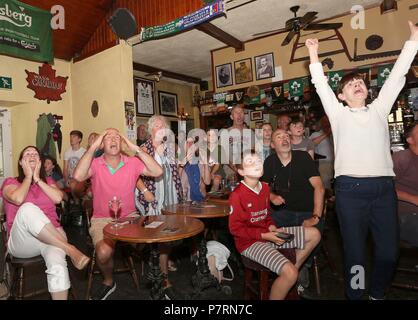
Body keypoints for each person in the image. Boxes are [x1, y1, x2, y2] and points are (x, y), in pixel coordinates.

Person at [306, 21, 418, 300]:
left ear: (367, 91)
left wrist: (413, 41)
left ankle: (377, 294)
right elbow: (320, 85)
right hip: (350, 192)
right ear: (341, 96)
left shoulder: (380, 109)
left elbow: (397, 76)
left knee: (389, 253)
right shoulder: (338, 114)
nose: (357, 85)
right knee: (355, 255)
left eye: (360, 83)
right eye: (350, 84)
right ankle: (356, 297)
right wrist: (313, 56)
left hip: (383, 189)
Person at [73, 128, 163, 300]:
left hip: (130, 217)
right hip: (102, 219)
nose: (113, 140)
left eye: (117, 137)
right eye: (108, 138)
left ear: (122, 143)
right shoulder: (95, 163)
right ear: (102, 143)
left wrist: (134, 147)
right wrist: (92, 148)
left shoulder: (132, 162)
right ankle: (108, 282)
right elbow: (78, 176)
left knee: (155, 239)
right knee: (103, 253)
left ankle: (160, 282)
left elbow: (158, 172)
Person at [1, 146, 90, 300]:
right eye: (27, 154)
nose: (32, 155)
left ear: (41, 163)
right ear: (21, 163)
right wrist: (28, 178)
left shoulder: (48, 181)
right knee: (28, 209)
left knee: (58, 266)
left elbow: (57, 198)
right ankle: (70, 249)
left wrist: (37, 180)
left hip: (51, 235)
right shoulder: (11, 181)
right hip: (23, 241)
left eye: (35, 154)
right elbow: (17, 199)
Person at [229, 151, 321, 299]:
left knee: (314, 234)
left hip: (268, 234)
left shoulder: (265, 188)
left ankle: (290, 274)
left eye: (258, 160)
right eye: (250, 162)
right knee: (290, 273)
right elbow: (235, 229)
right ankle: (290, 274)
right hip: (249, 243)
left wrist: (271, 226)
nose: (257, 163)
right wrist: (265, 235)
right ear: (241, 171)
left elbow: (266, 216)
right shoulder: (237, 195)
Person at [261, 129, 325, 291]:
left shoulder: (303, 157)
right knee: (264, 230)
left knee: (314, 233)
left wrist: (316, 216)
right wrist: (272, 196)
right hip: (283, 213)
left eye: (286, 136)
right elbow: (262, 189)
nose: (284, 139)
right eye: (279, 136)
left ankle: (295, 267)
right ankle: (289, 268)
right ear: (273, 145)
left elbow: (319, 187)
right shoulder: (270, 162)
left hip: (308, 212)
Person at [135, 115, 184, 296]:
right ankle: (162, 278)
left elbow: (175, 173)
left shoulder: (172, 148)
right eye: (156, 126)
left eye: (163, 126)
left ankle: (158, 264)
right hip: (152, 199)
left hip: (171, 198)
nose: (160, 129)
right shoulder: (143, 149)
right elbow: (134, 175)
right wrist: (144, 191)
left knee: (169, 237)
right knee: (161, 237)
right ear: (150, 130)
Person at [392, 122, 418, 247]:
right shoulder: (401, 158)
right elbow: (384, 188)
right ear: (410, 140)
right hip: (407, 216)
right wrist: (413, 199)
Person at [178, 136, 211, 201]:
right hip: (183, 201)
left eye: (192, 142)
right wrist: (181, 165)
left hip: (199, 201)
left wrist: (205, 163)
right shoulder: (178, 161)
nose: (190, 144)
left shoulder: (200, 162)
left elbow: (207, 182)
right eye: (187, 142)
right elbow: (175, 182)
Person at [309, 116, 334, 189]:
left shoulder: (333, 134)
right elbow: (310, 144)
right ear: (321, 124)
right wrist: (327, 133)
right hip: (324, 162)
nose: (327, 124)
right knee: (325, 185)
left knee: (331, 184)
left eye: (328, 122)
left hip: (334, 163)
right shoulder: (316, 134)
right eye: (325, 122)